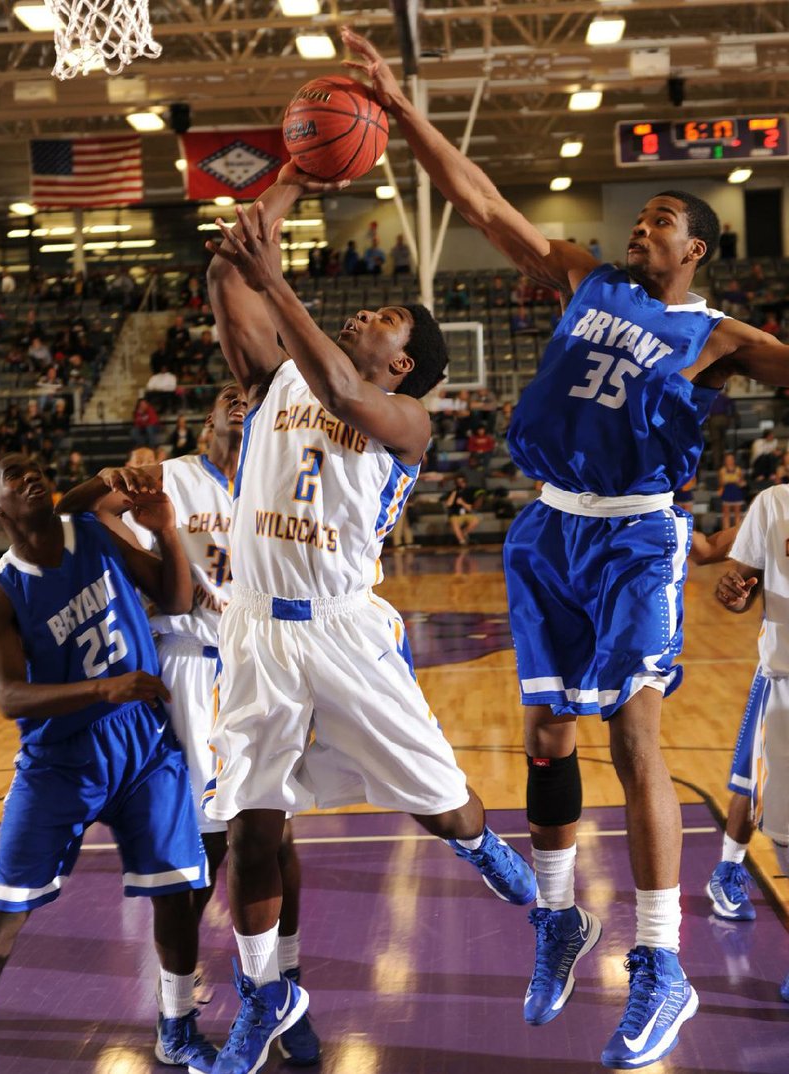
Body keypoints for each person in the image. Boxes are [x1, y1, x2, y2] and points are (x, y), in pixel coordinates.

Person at [341, 24, 789, 1068]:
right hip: (546, 524)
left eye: (663, 220)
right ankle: (555, 918)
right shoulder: (585, 278)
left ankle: (661, 963)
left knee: (633, 739)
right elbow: (485, 204)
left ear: (696, 251)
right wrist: (403, 112)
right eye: (642, 217)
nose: (643, 225)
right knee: (545, 740)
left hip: (634, 533)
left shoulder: (720, 337)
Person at [204, 174, 537, 1073]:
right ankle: (266, 997)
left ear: (405, 360)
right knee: (250, 828)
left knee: (444, 811)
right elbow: (225, 281)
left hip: (346, 633)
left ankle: (515, 876)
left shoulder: (405, 419)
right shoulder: (274, 381)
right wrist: (290, 183)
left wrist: (277, 279)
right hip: (255, 634)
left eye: (386, 314)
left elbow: (345, 393)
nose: (367, 315)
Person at [59, 383, 322, 1065]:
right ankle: (175, 1017)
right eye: (229, 395)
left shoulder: (288, 483)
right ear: (202, 417)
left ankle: (280, 989)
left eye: (252, 398)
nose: (241, 402)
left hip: (263, 672)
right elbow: (72, 515)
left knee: (271, 840)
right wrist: (103, 484)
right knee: (188, 863)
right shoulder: (170, 476)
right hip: (182, 674)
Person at [0, 454, 217, 1072]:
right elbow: (9, 698)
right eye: (12, 475)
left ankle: (177, 1025)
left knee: (175, 889)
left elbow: (173, 597)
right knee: (8, 907)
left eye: (34, 467)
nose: (28, 473)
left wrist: (166, 528)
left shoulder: (90, 530)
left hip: (143, 743)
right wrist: (102, 690)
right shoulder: (1, 588)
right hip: (60, 758)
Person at [715, 485, 789, 1001]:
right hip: (783, 676)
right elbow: (741, 583)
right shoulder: (775, 502)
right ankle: (727, 866)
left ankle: (727, 867)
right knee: (760, 788)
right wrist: (735, 595)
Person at [445, 474, 480, 545]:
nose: (460, 484)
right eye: (458, 482)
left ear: (465, 482)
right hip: (455, 515)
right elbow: (448, 504)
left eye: (462, 482)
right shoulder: (452, 492)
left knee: (475, 520)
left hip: (467, 514)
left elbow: (471, 508)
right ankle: (462, 541)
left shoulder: (469, 492)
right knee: (454, 522)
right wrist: (454, 493)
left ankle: (464, 533)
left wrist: (462, 503)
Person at [718, 451, 746, 528]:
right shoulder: (722, 470)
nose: (729, 461)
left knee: (737, 513)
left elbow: (741, 482)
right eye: (728, 459)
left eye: (731, 459)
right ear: (725, 461)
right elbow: (721, 482)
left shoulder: (738, 469)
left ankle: (737, 533)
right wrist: (732, 479)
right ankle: (725, 531)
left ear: (734, 460)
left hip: (736, 491)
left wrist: (734, 480)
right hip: (727, 492)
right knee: (726, 514)